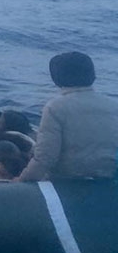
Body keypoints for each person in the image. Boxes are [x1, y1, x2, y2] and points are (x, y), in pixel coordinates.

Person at [16, 52, 118, 182]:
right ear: (92, 75)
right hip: (106, 181)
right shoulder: (113, 106)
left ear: (57, 78)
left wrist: (21, 180)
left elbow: (45, 158)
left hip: (66, 182)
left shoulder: (55, 107)